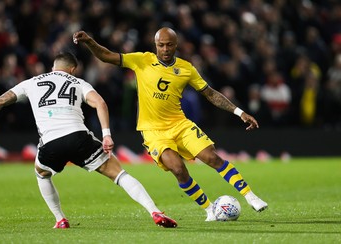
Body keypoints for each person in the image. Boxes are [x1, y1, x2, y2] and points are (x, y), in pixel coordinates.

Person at [73, 27, 268, 221]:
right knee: (177, 168)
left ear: (176, 45)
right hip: (153, 131)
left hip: (180, 124)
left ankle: (251, 197)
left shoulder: (186, 68)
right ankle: (209, 209)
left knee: (212, 158)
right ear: (155, 45)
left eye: (169, 45)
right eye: (161, 45)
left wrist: (239, 112)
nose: (165, 49)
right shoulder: (142, 60)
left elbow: (210, 93)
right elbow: (107, 56)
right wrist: (90, 41)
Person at [0, 52, 177, 228]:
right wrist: (106, 134)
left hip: (51, 142)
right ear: (72, 69)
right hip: (79, 137)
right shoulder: (79, 83)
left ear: (53, 67)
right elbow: (100, 103)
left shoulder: (31, 82)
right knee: (118, 174)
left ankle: (60, 219)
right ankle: (154, 211)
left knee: (41, 173)